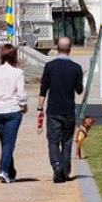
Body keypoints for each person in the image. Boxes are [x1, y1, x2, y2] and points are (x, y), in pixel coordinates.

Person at [37, 36, 84, 183]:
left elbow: (44, 88)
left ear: (57, 47)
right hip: (68, 110)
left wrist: (40, 107)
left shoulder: (50, 67)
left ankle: (56, 165)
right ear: (70, 49)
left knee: (53, 139)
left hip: (53, 109)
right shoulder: (76, 68)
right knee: (67, 141)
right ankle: (64, 170)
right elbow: (79, 90)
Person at [0, 44, 27, 183]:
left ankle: (11, 171)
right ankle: (3, 170)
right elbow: (21, 94)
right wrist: (23, 106)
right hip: (13, 110)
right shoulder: (18, 73)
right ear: (14, 56)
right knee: (8, 143)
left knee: (5, 142)